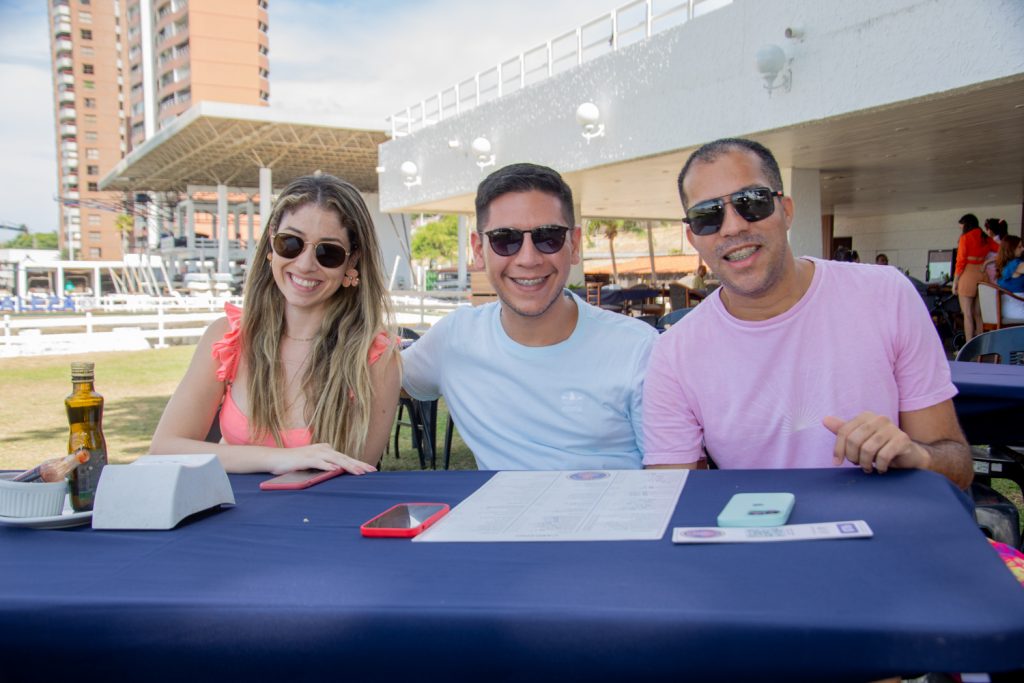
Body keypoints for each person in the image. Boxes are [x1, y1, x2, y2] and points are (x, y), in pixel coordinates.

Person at [642, 138, 972, 490]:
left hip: (886, 532)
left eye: (751, 202)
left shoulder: (885, 294)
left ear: (786, 210)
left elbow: (957, 466)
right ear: (693, 237)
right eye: (707, 215)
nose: (733, 227)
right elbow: (670, 495)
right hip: (762, 537)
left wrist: (915, 455)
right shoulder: (675, 352)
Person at [401, 163, 657, 470]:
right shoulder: (455, 339)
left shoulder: (638, 349)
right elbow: (377, 381)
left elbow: (672, 480)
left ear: (573, 245)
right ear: (479, 250)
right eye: (504, 239)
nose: (528, 258)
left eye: (548, 237)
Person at [151, 173, 401, 474]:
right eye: (291, 243)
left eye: (328, 252)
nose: (306, 264)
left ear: (352, 261)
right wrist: (278, 459)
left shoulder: (376, 357)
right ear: (271, 243)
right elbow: (165, 448)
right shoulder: (228, 337)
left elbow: (357, 475)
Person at [953, 213, 995, 341]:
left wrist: (955, 282)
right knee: (978, 314)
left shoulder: (965, 238)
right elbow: (1003, 250)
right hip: (982, 275)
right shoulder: (986, 238)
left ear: (966, 225)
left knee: (967, 314)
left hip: (967, 275)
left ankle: (969, 345)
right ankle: (981, 346)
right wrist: (987, 262)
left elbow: (960, 262)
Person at [996, 235, 1024, 320]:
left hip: (1006, 306)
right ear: (1011, 249)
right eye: (1019, 247)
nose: (1023, 249)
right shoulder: (1015, 264)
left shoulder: (1005, 264)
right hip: (1016, 306)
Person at [983, 217, 1009, 284]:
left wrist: (986, 263)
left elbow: (1003, 255)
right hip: (997, 270)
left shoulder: (996, 241)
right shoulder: (1003, 240)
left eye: (987, 229)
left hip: (993, 270)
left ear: (990, 230)